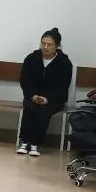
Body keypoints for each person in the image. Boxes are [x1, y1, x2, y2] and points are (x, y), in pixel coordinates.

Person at [17, 28, 72, 156]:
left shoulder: (64, 63)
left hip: (54, 99)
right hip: (32, 96)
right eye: (43, 43)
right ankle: (24, 142)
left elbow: (63, 86)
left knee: (43, 111)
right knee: (30, 107)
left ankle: (35, 143)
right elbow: (25, 80)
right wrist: (33, 96)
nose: (45, 47)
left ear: (57, 46)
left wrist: (47, 98)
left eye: (50, 44)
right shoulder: (31, 58)